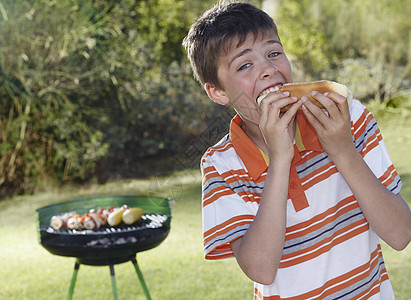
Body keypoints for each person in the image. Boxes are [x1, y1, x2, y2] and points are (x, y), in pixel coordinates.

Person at [183, 1, 411, 299]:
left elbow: (400, 234)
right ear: (218, 91)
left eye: (274, 53)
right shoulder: (221, 166)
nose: (268, 69)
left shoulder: (347, 118)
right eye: (245, 65)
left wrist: (342, 150)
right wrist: (280, 158)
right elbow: (261, 269)